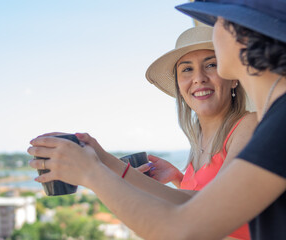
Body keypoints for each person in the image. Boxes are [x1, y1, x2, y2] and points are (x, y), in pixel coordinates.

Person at [28, 1, 286, 239]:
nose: (214, 30)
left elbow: (182, 229)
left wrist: (91, 173)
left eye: (218, 21)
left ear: (242, 35)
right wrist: (102, 158)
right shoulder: (275, 119)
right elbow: (198, 206)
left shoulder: (276, 124)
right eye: (187, 69)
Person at [138, 26, 256, 240]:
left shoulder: (248, 126)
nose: (198, 78)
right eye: (187, 69)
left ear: (233, 77)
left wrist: (105, 174)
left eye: (211, 64)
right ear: (179, 85)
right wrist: (178, 178)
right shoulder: (200, 139)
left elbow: (214, 207)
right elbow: (206, 192)